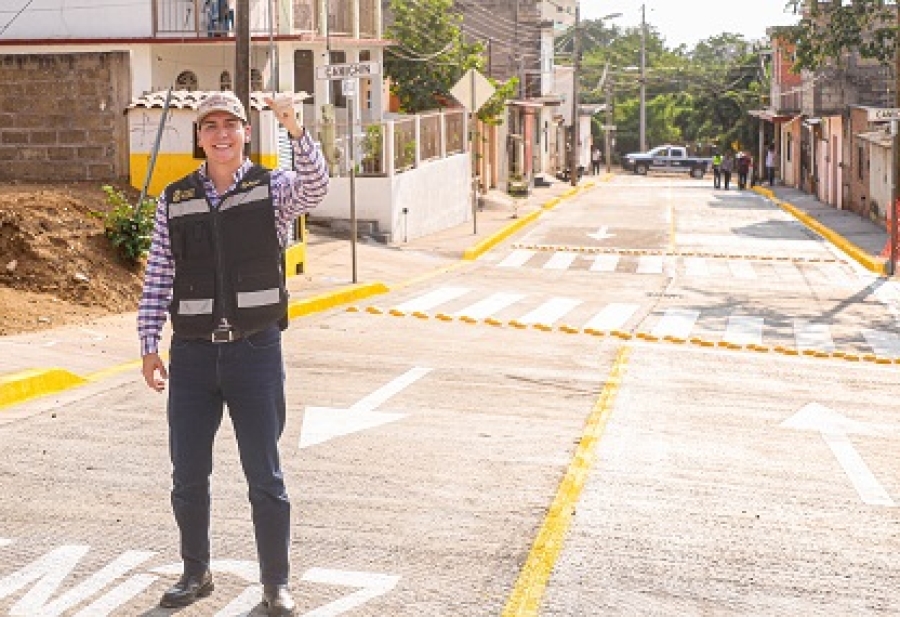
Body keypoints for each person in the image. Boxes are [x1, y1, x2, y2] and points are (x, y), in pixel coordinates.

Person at [138, 91, 328, 616]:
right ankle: (195, 573)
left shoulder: (273, 188)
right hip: (193, 355)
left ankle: (276, 584)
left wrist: (293, 126)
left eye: (231, 124)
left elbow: (317, 186)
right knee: (187, 476)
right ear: (199, 137)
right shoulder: (174, 198)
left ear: (246, 132)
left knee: (265, 477)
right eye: (211, 126)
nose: (221, 134)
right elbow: (159, 274)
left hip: (255, 350)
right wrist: (149, 343)